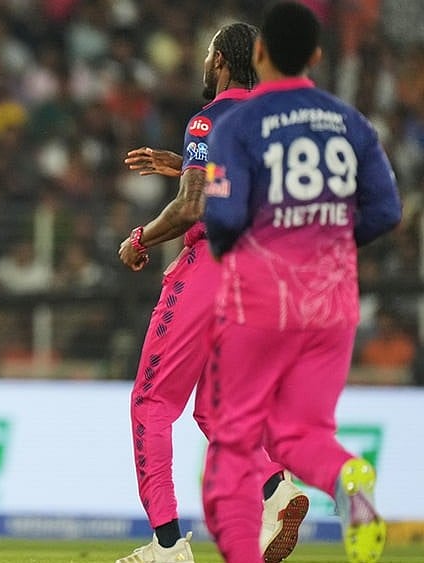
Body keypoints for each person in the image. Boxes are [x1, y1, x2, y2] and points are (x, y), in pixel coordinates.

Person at [201, 2, 401, 562]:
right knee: (299, 434)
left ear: (260, 52)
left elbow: (222, 218)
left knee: (233, 443)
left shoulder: (237, 125)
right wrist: (327, 243)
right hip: (333, 303)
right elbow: (386, 211)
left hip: (262, 302)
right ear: (315, 55)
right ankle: (347, 476)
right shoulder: (351, 123)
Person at [116, 22, 309, 563]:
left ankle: (167, 545)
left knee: (152, 403)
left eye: (208, 53)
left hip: (212, 269)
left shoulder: (209, 119)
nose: (205, 62)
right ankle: (276, 487)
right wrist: (185, 168)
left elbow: (192, 206)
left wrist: (139, 239)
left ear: (221, 59)